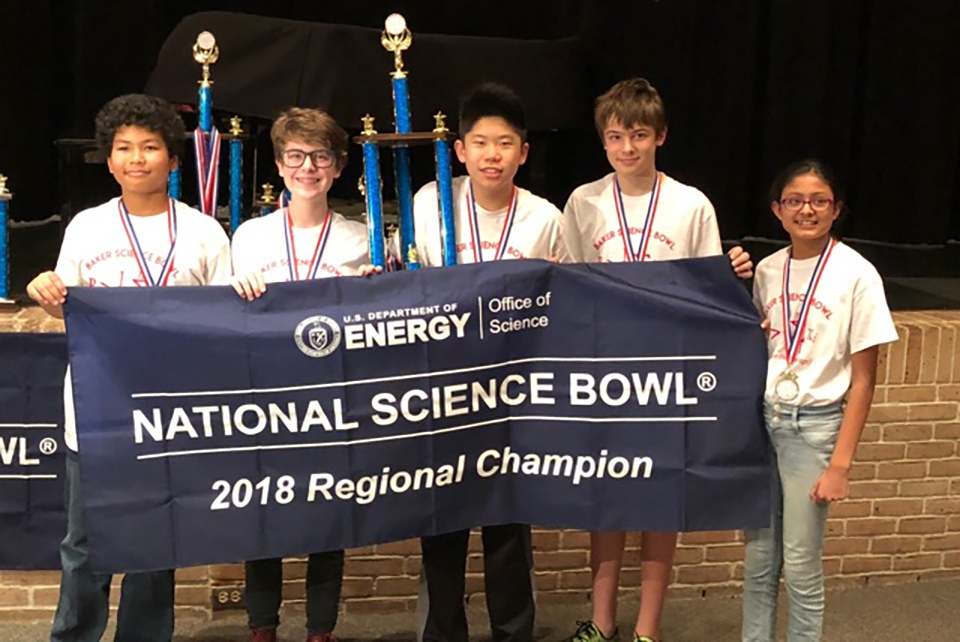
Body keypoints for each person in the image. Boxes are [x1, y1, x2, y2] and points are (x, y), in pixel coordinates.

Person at [26, 93, 231, 642]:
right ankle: (74, 635)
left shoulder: (204, 233)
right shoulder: (86, 229)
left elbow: (227, 325)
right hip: (94, 415)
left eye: (150, 147)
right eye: (124, 148)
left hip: (167, 416)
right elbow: (62, 296)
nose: (137, 158)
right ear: (110, 160)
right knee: (82, 545)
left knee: (153, 544)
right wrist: (44, 288)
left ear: (172, 159)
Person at [561, 78, 753, 642]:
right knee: (607, 497)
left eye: (639, 135)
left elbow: (707, 292)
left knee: (659, 497)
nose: (627, 148)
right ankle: (601, 623)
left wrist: (733, 275)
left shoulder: (690, 204)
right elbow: (572, 285)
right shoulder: (584, 201)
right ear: (602, 142)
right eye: (616, 136)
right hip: (603, 375)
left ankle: (647, 629)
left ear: (660, 137)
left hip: (668, 378)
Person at [404, 82, 567, 642]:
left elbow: (561, 302)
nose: (491, 155)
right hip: (442, 390)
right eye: (480, 142)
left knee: (507, 533)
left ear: (523, 152)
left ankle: (514, 632)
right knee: (441, 528)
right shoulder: (429, 203)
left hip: (512, 397)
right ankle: (443, 633)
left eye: (504, 144)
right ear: (460, 150)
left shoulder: (546, 218)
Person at [742, 160, 897, 642]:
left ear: (836, 209)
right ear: (777, 209)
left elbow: (865, 379)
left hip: (813, 429)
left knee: (802, 564)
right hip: (762, 422)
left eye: (819, 200)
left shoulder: (857, 274)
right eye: (794, 200)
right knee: (759, 561)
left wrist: (841, 465)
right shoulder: (768, 271)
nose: (806, 210)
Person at [231, 107, 369, 642]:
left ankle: (321, 630)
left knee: (327, 520)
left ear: (337, 168)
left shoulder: (363, 239)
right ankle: (262, 627)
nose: (307, 167)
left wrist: (384, 284)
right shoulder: (248, 237)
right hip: (265, 395)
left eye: (320, 157)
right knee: (263, 515)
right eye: (296, 156)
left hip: (333, 398)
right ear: (280, 166)